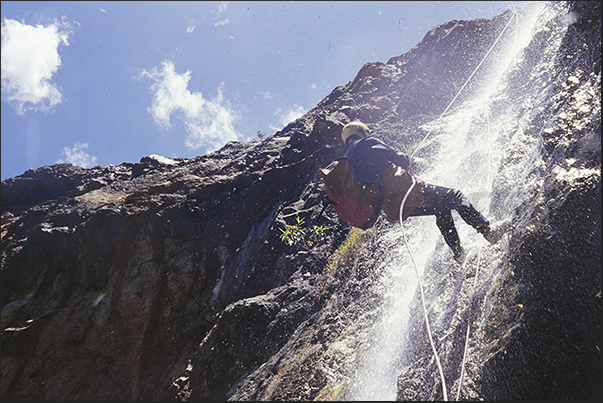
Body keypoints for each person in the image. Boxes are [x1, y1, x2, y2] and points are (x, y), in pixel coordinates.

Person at [337, 121, 506, 264]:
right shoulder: (366, 144)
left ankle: (459, 254)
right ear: (361, 132)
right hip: (404, 192)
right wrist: (406, 160)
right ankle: (489, 232)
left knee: (441, 207)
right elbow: (400, 159)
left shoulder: (347, 164)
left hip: (392, 208)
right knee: (455, 196)